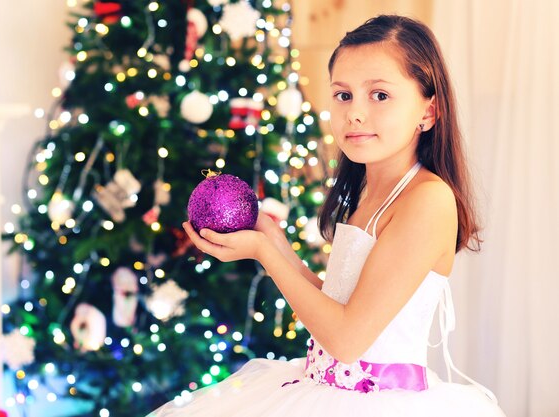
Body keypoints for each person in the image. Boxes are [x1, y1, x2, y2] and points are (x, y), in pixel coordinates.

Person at [149, 14, 506, 417]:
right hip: (319, 386)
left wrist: (266, 257)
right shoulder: (370, 191)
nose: (354, 113)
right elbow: (339, 306)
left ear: (429, 111)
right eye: (343, 95)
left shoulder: (427, 199)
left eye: (380, 95)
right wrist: (276, 247)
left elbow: (347, 339)